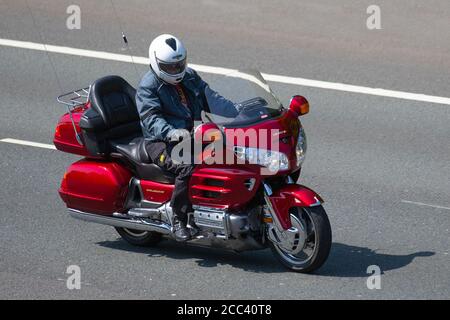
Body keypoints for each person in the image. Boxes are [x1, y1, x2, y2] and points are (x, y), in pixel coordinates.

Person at [135, 34, 236, 242]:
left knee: (230, 153)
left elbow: (211, 97)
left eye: (179, 64)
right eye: (170, 67)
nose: (176, 70)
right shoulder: (148, 86)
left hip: (189, 136)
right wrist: (171, 132)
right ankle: (178, 218)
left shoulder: (189, 76)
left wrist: (238, 111)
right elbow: (151, 118)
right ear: (157, 63)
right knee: (188, 166)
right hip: (160, 142)